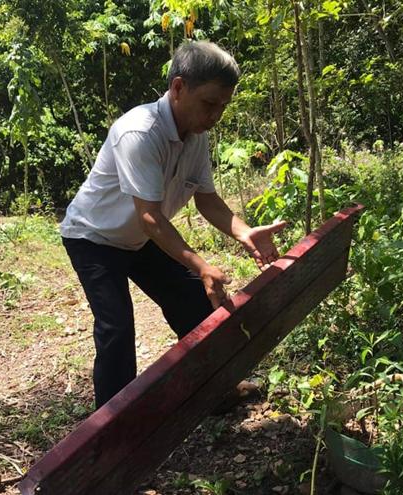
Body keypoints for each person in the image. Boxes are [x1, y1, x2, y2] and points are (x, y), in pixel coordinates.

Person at [60, 41, 286, 409]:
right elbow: (150, 217)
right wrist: (201, 265)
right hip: (94, 238)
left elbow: (206, 199)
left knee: (194, 303)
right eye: (209, 103)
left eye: (223, 107)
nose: (215, 115)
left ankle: (217, 391)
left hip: (137, 238)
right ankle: (109, 429)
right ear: (178, 88)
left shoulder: (196, 137)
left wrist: (244, 232)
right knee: (116, 328)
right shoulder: (139, 132)